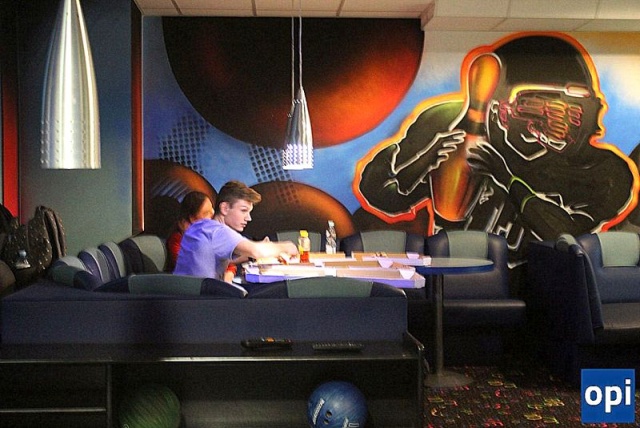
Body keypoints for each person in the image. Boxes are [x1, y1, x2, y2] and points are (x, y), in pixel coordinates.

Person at [354, 34, 639, 268]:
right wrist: (423, 161)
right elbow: (381, 194)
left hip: (546, 280)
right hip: (456, 271)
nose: (557, 123)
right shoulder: (448, 124)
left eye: (572, 113)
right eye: (535, 107)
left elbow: (563, 234)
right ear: (497, 107)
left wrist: (507, 178)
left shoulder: (607, 172)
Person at [173, 180, 298, 281]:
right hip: (199, 301)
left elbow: (229, 258)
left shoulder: (205, 228)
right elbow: (256, 251)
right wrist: (286, 246)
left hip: (194, 298)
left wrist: (265, 248)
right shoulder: (215, 230)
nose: (248, 218)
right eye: (243, 210)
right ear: (225, 208)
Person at [166, 191, 214, 271]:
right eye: (206, 213)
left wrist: (229, 273)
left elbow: (228, 261)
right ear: (193, 218)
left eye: (212, 210)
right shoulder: (177, 239)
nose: (212, 216)